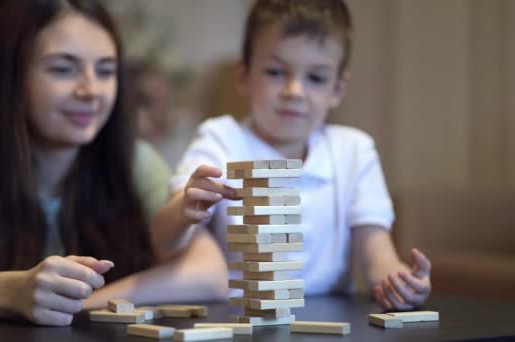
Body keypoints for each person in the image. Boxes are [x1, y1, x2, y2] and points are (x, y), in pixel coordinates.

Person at [0, 0, 226, 326]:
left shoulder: (134, 162)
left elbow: (209, 272)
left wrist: (85, 303)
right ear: (13, 78)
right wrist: (12, 292)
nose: (90, 90)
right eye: (63, 69)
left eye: (105, 70)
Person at [153, 0, 432, 311]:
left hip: (329, 317)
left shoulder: (354, 151)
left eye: (316, 78)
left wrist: (402, 283)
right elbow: (164, 240)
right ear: (244, 76)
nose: (294, 91)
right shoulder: (221, 139)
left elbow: (378, 258)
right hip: (237, 315)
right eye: (275, 72)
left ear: (337, 89)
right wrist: (184, 209)